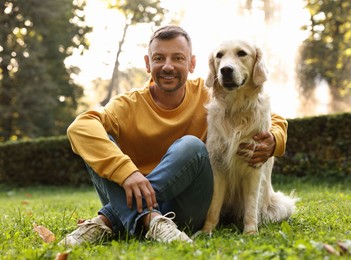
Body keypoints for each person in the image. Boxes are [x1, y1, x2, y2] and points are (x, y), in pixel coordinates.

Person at [59, 25, 288, 246]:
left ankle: (107, 220)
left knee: (191, 147)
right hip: (134, 197)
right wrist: (126, 172)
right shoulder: (128, 105)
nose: (168, 66)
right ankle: (152, 221)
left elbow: (270, 116)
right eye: (159, 58)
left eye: (178, 58)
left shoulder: (212, 94)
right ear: (148, 64)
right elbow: (80, 128)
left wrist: (275, 139)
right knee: (98, 142)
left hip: (185, 207)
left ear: (192, 63)